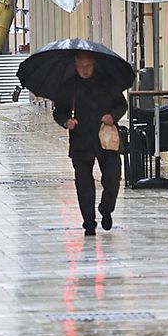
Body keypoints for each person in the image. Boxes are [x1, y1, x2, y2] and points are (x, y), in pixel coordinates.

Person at [53, 52, 128, 236]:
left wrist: (112, 116)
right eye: (81, 66)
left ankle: (106, 209)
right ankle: (89, 223)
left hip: (106, 140)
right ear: (76, 65)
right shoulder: (69, 86)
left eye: (88, 66)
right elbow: (58, 112)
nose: (85, 70)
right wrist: (66, 122)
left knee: (112, 179)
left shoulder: (107, 82)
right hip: (81, 140)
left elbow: (121, 105)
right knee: (84, 184)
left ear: (94, 63)